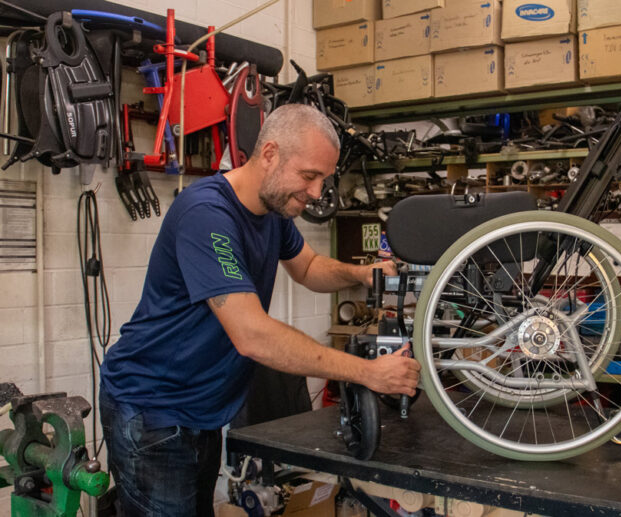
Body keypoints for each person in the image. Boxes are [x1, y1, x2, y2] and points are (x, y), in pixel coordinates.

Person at [99, 104, 420, 516]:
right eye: (309, 176)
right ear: (269, 154)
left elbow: (307, 267)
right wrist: (368, 372)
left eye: (324, 179)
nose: (317, 193)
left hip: (199, 409)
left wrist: (361, 274)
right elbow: (251, 335)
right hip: (152, 410)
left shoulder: (271, 210)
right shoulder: (208, 215)